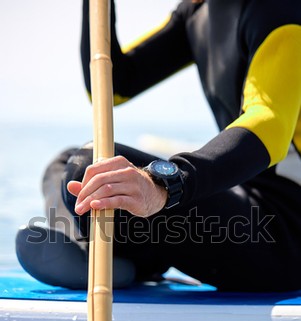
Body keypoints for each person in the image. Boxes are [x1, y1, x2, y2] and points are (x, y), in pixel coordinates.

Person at [16, 0, 301, 291]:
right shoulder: (197, 11)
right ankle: (98, 253)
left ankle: (112, 258)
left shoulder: (279, 10)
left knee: (88, 167)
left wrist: (163, 183)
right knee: (67, 164)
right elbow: (115, 84)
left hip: (283, 233)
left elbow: (269, 126)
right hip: (237, 206)